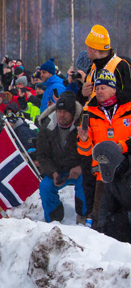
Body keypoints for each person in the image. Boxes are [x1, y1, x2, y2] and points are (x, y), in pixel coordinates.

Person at [77, 70, 131, 227]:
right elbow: (84, 151)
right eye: (97, 88)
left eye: (104, 88)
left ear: (114, 89)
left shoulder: (128, 108)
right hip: (103, 173)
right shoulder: (89, 112)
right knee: (102, 218)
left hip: (127, 169)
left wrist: (123, 146)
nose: (99, 91)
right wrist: (84, 139)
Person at [36, 91, 87, 223]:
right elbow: (42, 155)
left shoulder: (82, 126)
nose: (61, 115)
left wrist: (80, 167)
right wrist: (53, 172)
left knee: (86, 181)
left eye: (65, 111)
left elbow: (90, 151)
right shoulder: (46, 127)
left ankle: (83, 216)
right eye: (59, 111)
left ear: (73, 113)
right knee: (45, 187)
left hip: (78, 169)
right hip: (56, 169)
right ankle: (53, 219)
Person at [78, 24, 131, 105]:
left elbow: (127, 98)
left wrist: (109, 94)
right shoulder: (92, 69)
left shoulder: (121, 67)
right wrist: (83, 94)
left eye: (87, 47)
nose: (86, 51)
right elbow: (83, 102)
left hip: (113, 116)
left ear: (94, 49)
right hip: (91, 116)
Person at [92, 141, 131, 242]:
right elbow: (106, 204)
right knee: (111, 225)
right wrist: (101, 227)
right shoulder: (112, 179)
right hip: (125, 217)